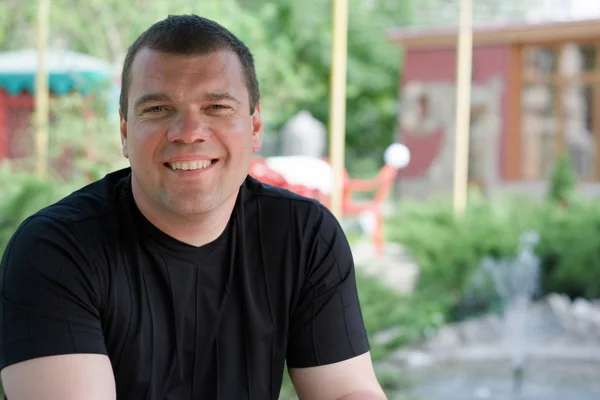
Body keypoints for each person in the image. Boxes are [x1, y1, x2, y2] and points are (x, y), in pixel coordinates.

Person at [0, 15, 386, 400]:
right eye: (158, 109)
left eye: (216, 106)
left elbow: (346, 392)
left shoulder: (303, 234)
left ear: (254, 129)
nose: (188, 132)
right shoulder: (54, 250)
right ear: (124, 133)